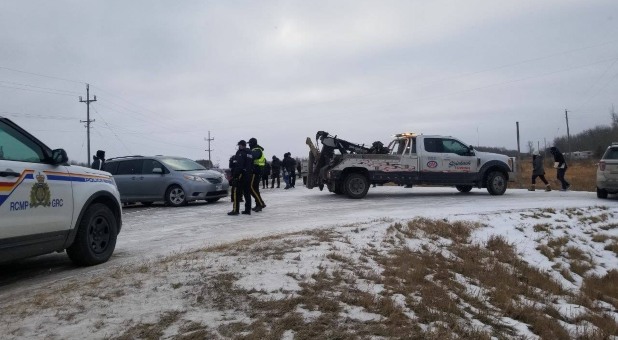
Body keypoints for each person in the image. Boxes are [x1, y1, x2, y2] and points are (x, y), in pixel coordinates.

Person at [228, 140, 252, 215]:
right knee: (247, 193)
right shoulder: (250, 153)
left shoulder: (240, 153)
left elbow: (239, 165)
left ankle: (235, 210)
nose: (238, 146)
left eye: (239, 145)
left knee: (236, 192)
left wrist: (235, 176)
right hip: (248, 174)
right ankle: (248, 210)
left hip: (241, 175)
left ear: (241, 145)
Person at [248, 137, 266, 212]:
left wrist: (246, 154)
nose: (248, 144)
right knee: (254, 189)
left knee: (251, 187)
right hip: (256, 170)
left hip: (256, 171)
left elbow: (253, 156)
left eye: (249, 143)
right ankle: (259, 203)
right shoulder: (255, 149)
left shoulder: (257, 150)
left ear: (252, 143)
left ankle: (260, 203)